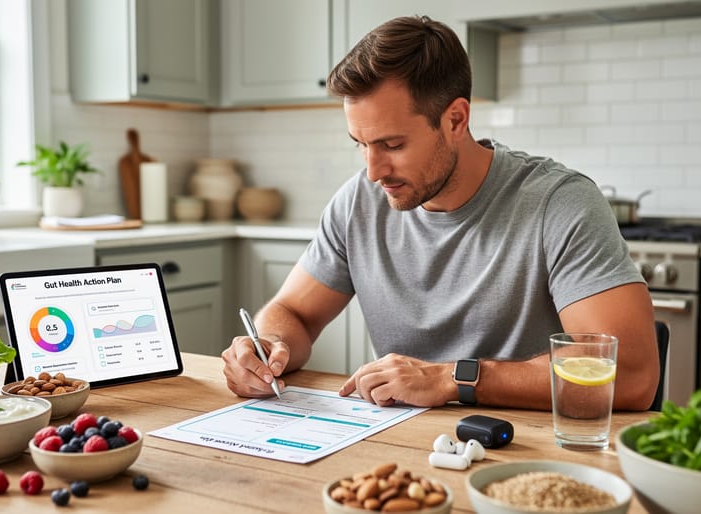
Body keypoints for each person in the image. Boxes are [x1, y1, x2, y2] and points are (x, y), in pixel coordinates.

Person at [221, 15, 657, 411]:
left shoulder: (559, 203)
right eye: (360, 144)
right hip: (402, 446)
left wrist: (454, 378)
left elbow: (633, 374)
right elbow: (293, 312)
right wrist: (267, 348)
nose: (373, 171)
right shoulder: (357, 203)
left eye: (392, 145)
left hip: (526, 449)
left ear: (456, 120)